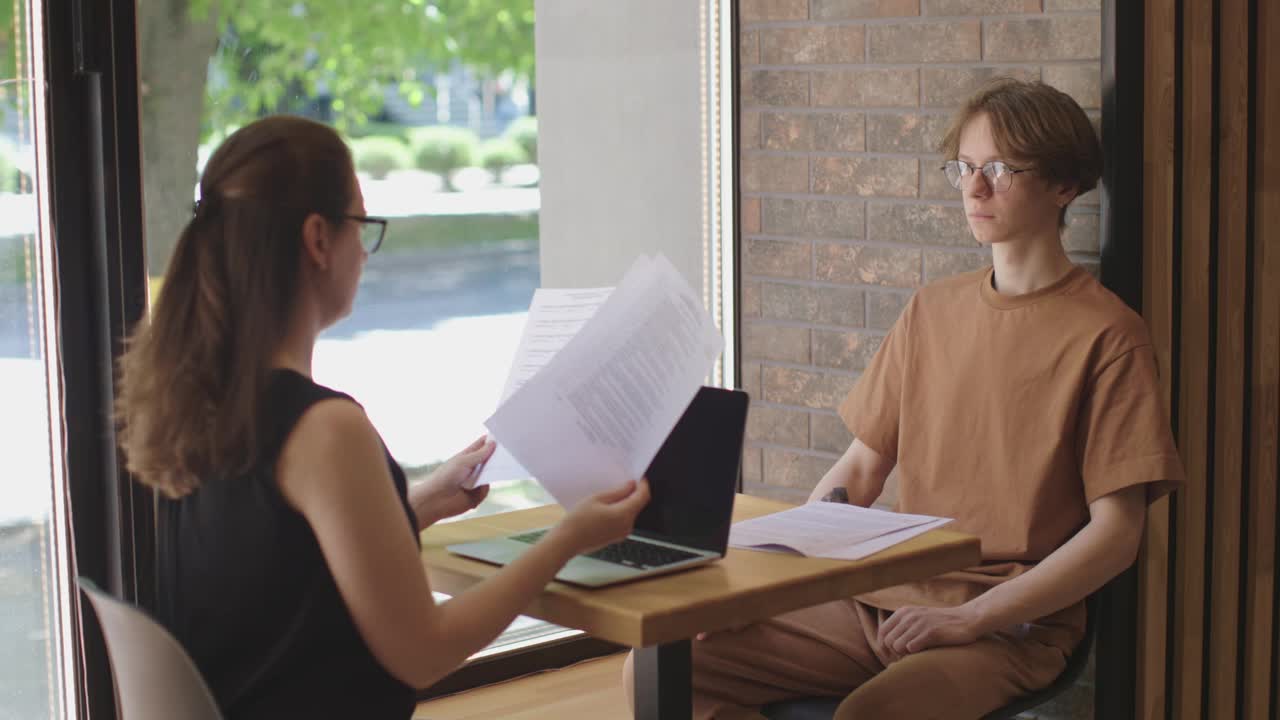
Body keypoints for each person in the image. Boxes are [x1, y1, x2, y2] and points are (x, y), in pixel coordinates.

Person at [624, 79, 1185, 719]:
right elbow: (859, 472)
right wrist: (765, 590)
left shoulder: (1108, 335)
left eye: (1001, 170)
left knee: (876, 714)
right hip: (880, 597)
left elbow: (1117, 535)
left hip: (1006, 626)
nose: (974, 189)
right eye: (965, 168)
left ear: (1063, 186)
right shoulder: (932, 310)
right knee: (663, 666)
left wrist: (972, 617)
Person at [114, 115, 650, 720]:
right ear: (318, 240)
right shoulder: (325, 430)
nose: (365, 255)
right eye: (361, 226)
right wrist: (568, 538)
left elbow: (283, 567)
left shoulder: (205, 401)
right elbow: (426, 652)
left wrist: (417, 502)